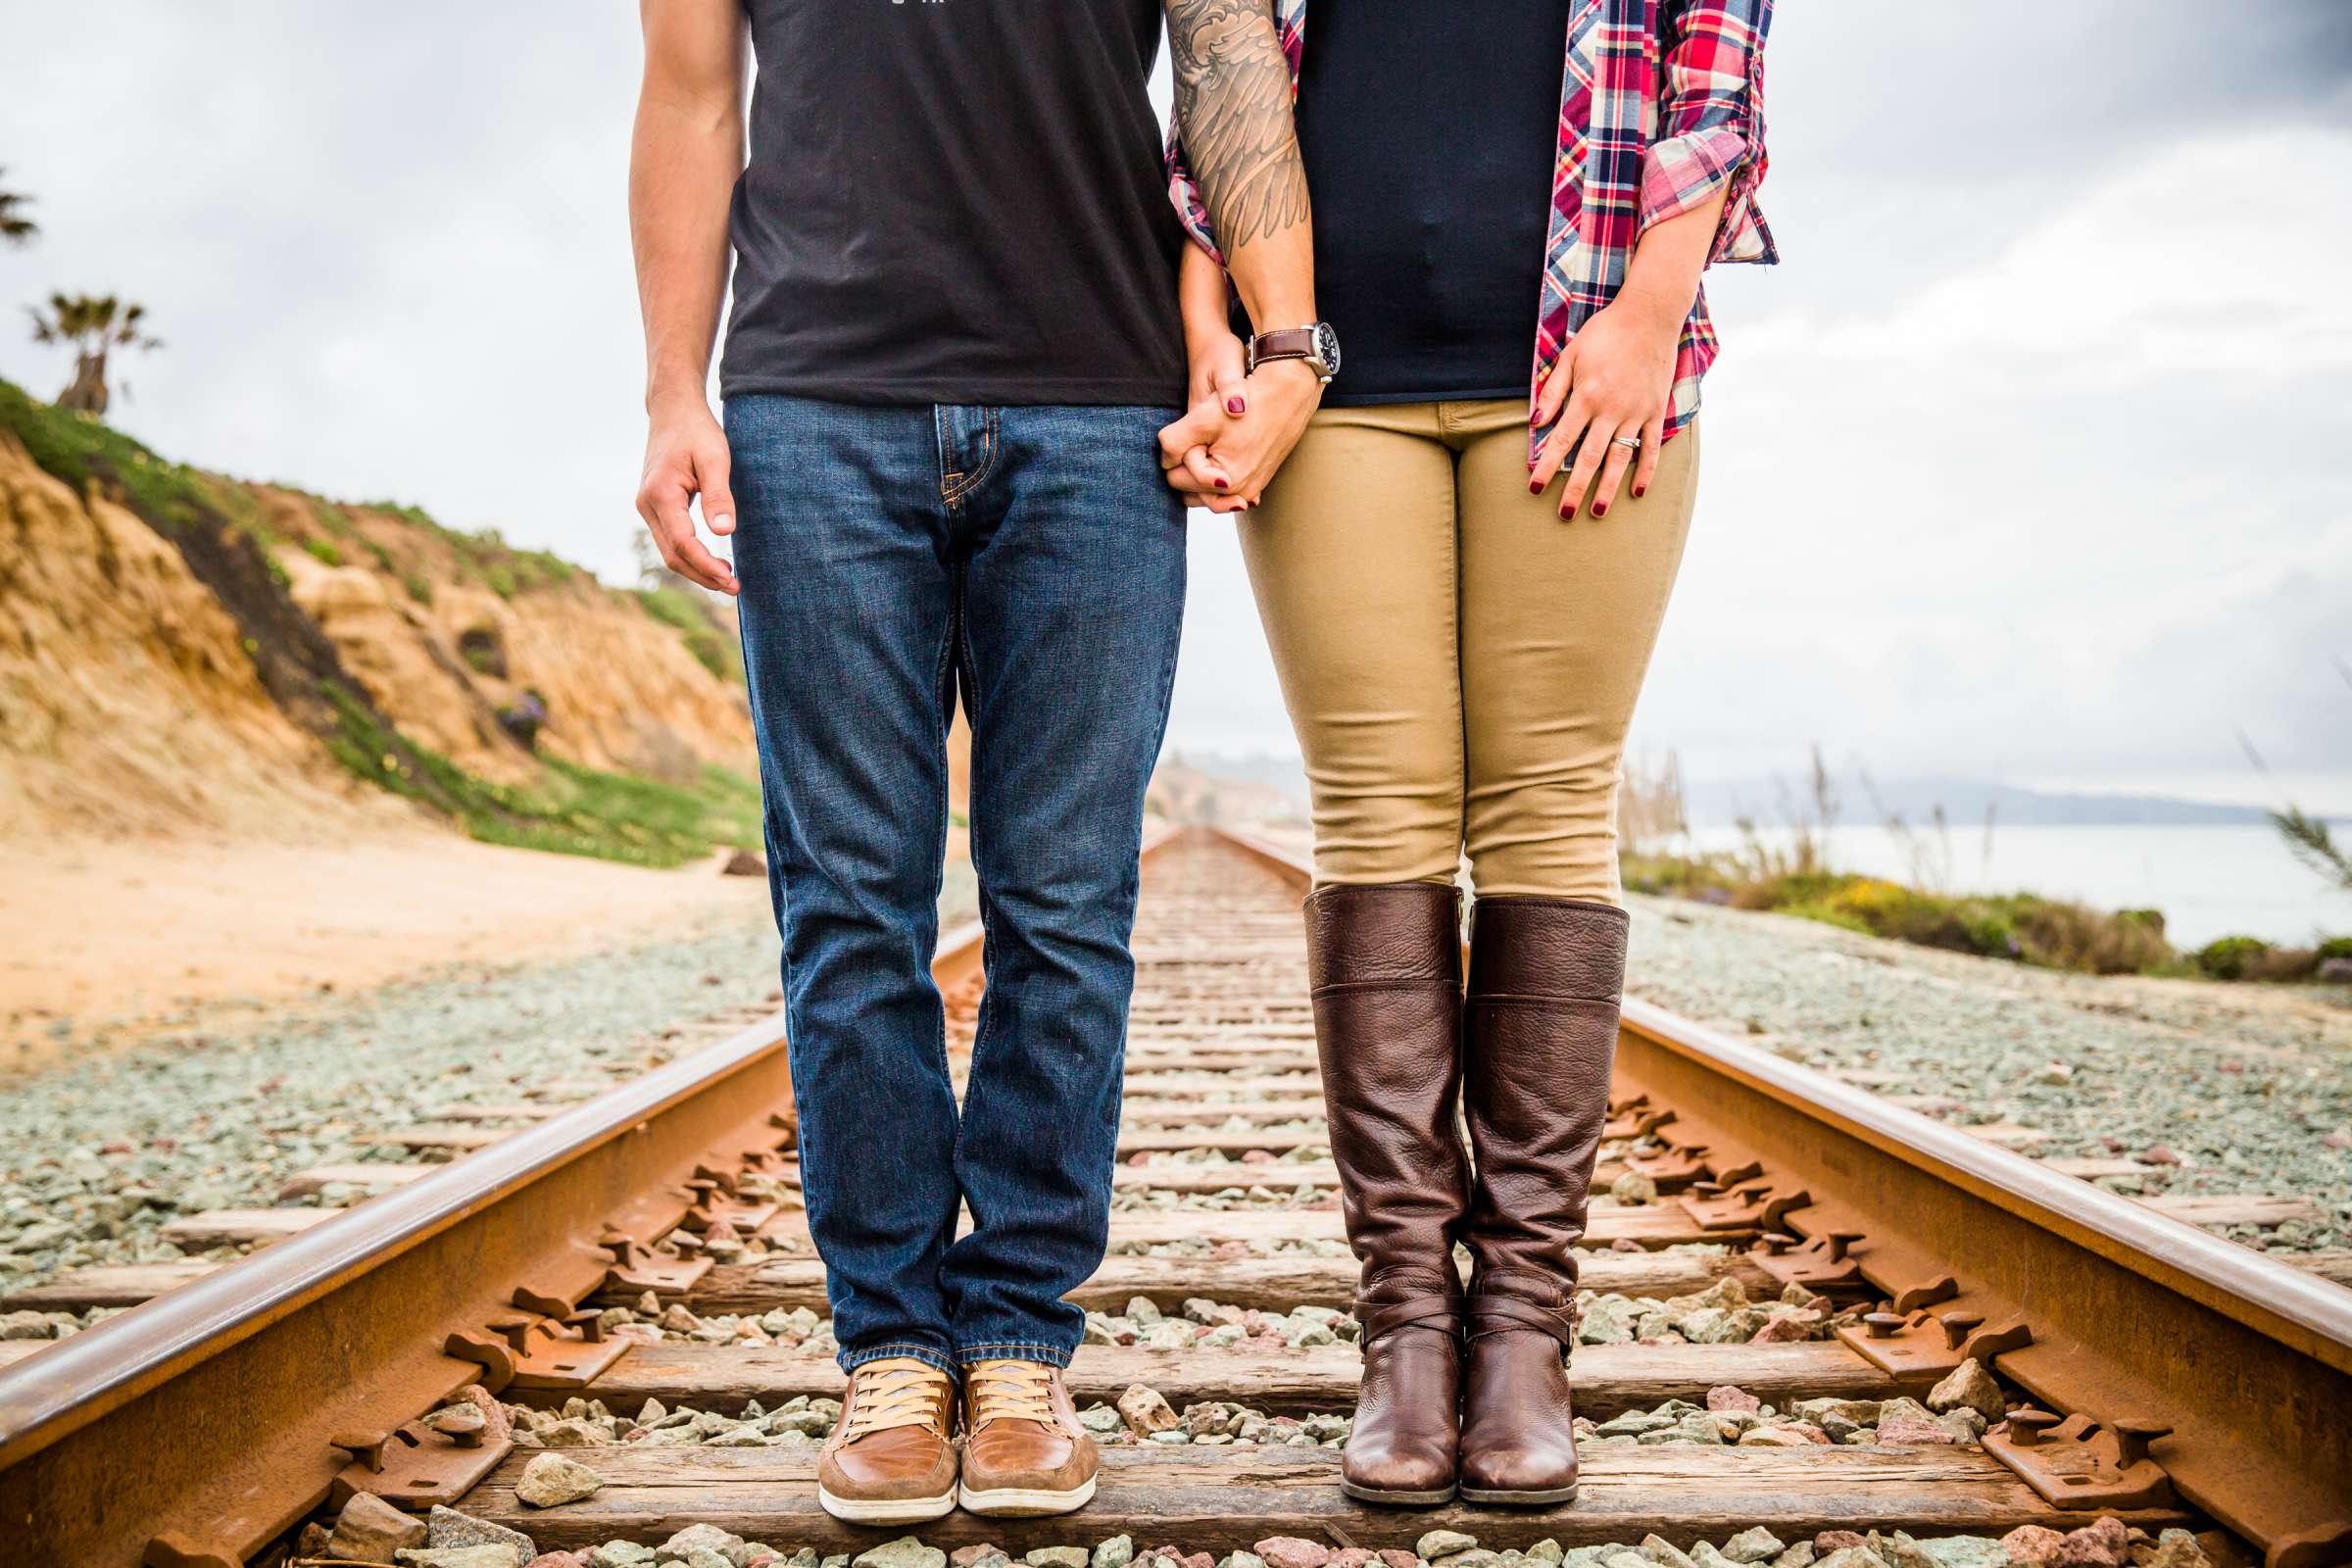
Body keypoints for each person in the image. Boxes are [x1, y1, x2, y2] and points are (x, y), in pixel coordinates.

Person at [628, 0, 1322, 1526]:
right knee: (851, 906)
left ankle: (1013, 1341)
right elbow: (689, 94)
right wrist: (678, 391)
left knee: (1065, 904)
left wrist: (1287, 348)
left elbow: (1226, 64)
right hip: (815, 405)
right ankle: (890, 1344)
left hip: (1098, 406)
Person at [1161, 0, 1777, 1508]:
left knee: (1551, 816)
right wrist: (1209, 326)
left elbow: (1717, 77)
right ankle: (1408, 1343)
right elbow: (1222, 85)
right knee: (1376, 816)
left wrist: (1647, 316)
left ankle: (1522, 1339)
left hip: (1581, 357)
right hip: (1324, 381)